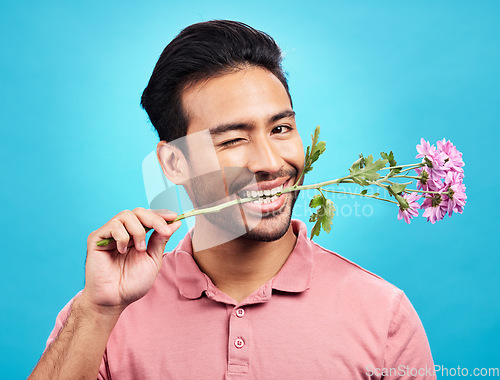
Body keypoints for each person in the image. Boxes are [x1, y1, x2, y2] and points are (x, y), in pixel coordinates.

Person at [30, 20, 436, 379]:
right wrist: (98, 312)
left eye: (280, 129)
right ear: (174, 163)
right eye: (234, 140)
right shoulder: (101, 313)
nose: (270, 163)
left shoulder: (385, 316)